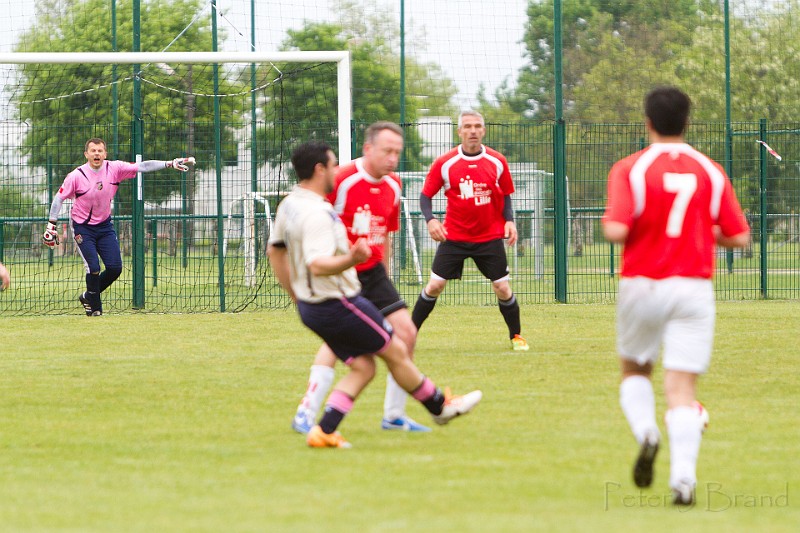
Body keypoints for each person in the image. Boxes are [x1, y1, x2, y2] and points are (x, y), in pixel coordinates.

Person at [268, 140, 482, 448]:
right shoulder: (317, 213)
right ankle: (440, 407)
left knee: (365, 366)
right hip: (339, 303)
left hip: (313, 307)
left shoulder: (289, 204)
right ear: (319, 169)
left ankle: (324, 430)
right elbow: (317, 264)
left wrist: (297, 296)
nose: (335, 170)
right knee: (394, 350)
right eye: (331, 165)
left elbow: (274, 251)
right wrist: (351, 260)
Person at [602, 86, 750, 506]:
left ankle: (647, 433)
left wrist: (629, 224)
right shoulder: (710, 170)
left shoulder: (630, 168)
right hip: (693, 288)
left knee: (635, 371)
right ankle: (683, 480)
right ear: (688, 121)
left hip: (642, 283)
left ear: (647, 121)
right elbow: (740, 236)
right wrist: (702, 232)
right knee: (682, 389)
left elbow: (616, 229)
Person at [291, 122, 430, 434]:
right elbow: (313, 218)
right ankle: (306, 410)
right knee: (336, 341)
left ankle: (394, 415)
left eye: (397, 152)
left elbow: (387, 234)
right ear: (369, 149)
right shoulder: (340, 179)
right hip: (342, 270)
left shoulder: (394, 184)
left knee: (406, 334)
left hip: (374, 272)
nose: (393, 158)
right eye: (387, 151)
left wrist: (388, 275)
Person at [411, 110, 529, 351]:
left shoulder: (497, 161)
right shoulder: (445, 163)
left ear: (483, 130)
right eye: (467, 126)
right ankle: (407, 337)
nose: (473, 130)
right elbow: (425, 196)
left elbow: (506, 194)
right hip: (454, 237)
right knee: (434, 286)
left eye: (477, 126)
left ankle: (516, 337)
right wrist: (431, 220)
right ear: (460, 131)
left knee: (503, 288)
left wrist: (509, 220)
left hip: (489, 237)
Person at [43, 138, 195, 316]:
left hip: (105, 226)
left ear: (105, 154)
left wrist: (169, 163)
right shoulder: (76, 176)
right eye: (93, 151)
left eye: (100, 150)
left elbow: (142, 166)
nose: (97, 154)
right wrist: (51, 225)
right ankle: (95, 309)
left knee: (115, 268)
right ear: (86, 154)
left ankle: (88, 296)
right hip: (82, 227)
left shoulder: (114, 168)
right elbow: (59, 198)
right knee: (93, 267)